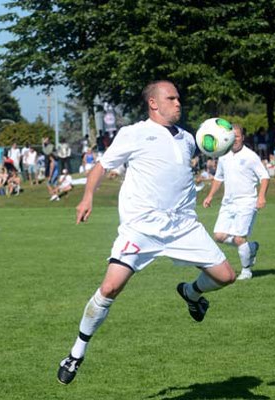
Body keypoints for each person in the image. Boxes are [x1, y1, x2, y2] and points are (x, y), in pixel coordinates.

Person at [57, 80, 236, 385]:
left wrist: (228, 140)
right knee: (111, 287)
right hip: (142, 227)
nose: (178, 102)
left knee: (226, 276)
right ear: (154, 103)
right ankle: (76, 353)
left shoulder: (188, 139)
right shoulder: (133, 133)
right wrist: (87, 196)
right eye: (171, 97)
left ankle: (191, 293)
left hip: (182, 225)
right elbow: (101, 167)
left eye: (179, 97)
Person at [202, 124, 270, 280]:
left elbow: (264, 177)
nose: (234, 140)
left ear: (243, 138)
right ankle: (250, 247)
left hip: (246, 202)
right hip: (228, 202)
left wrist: (261, 197)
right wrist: (210, 195)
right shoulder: (223, 155)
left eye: (237, 136)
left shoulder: (251, 156)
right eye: (232, 137)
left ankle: (246, 270)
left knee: (239, 238)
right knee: (218, 236)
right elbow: (219, 178)